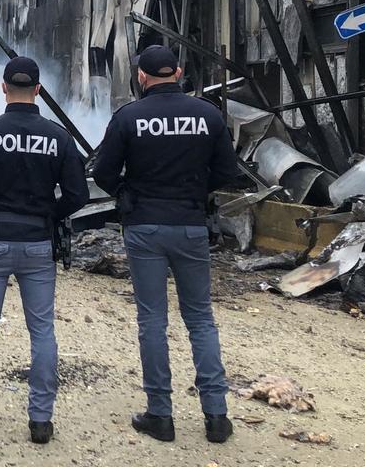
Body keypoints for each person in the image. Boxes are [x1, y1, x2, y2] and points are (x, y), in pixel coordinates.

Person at [91, 45, 242, 445]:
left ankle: (160, 414)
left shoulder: (129, 117)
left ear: (141, 77)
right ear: (178, 71)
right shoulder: (208, 114)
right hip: (191, 224)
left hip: (144, 227)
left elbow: (103, 171)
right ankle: (217, 416)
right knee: (201, 320)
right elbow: (228, 171)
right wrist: (194, 193)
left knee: (152, 322)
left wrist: (129, 192)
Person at [0, 57, 89, 445]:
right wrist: (48, 215)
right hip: (38, 245)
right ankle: (41, 422)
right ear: (39, 90)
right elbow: (78, 195)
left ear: (4, 88)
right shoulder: (58, 137)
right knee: (42, 331)